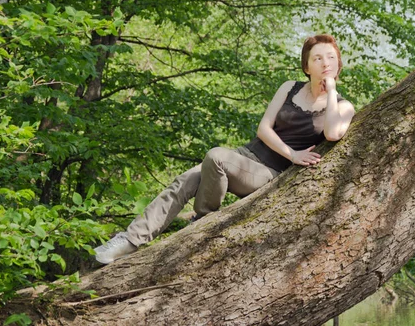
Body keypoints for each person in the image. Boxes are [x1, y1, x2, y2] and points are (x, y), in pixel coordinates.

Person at [94, 34, 355, 264]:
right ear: (307, 66)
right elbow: (263, 128)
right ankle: (128, 241)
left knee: (216, 156)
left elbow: (333, 133)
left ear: (339, 64)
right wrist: (293, 153)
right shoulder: (289, 87)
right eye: (318, 58)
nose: (325, 63)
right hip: (246, 155)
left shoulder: (343, 106)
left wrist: (331, 90)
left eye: (331, 58)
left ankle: (203, 221)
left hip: (270, 174)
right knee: (183, 181)